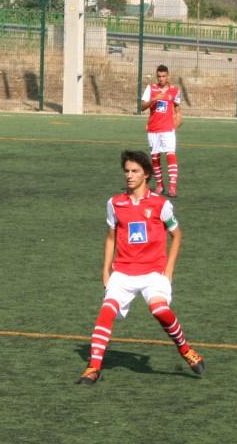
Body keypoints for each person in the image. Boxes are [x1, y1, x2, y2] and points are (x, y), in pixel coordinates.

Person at [77, 151, 204, 386]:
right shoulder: (115, 203)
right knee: (106, 313)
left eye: (134, 171)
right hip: (123, 272)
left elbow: (177, 236)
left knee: (159, 310)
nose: (129, 175)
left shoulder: (161, 204)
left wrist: (169, 270)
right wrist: (105, 270)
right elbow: (110, 238)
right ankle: (94, 367)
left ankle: (185, 349)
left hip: (153, 272)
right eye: (126, 171)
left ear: (146, 174)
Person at [140, 64, 182, 197]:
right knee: (155, 157)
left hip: (167, 129)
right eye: (159, 76)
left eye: (164, 76)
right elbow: (142, 107)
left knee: (171, 155)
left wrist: (176, 123)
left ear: (168, 76)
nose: (161, 79)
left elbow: (177, 109)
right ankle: (160, 185)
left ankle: (173, 187)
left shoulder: (175, 91)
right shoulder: (151, 89)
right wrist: (154, 99)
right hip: (153, 129)